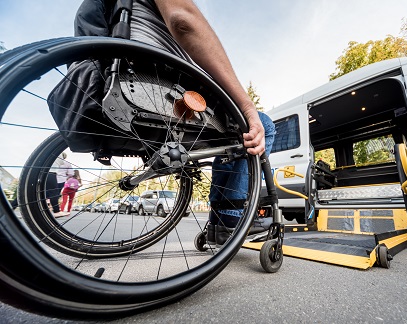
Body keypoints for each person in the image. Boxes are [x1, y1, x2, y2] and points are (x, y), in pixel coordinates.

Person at [75, 0, 275, 244]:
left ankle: (219, 222)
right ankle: (229, 216)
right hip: (164, 88)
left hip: (125, 81)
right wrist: (248, 107)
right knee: (263, 123)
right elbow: (183, 20)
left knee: (233, 133)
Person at [46, 152, 74, 217]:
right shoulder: (66, 163)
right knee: (55, 194)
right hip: (59, 179)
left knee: (47, 194)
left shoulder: (51, 159)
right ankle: (56, 211)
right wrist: (66, 177)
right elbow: (71, 174)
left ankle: (51, 209)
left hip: (49, 176)